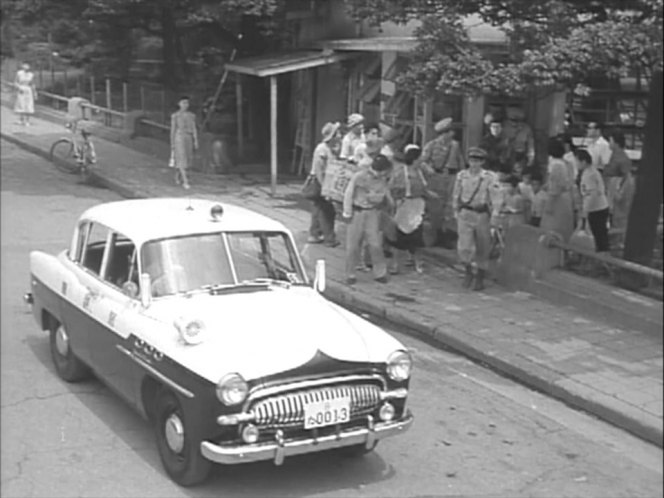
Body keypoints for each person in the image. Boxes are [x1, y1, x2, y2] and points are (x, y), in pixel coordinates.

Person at [452, 147, 502, 291]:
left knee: (483, 247)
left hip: (481, 214)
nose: (474, 164)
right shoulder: (461, 176)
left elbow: (496, 196)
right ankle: (468, 271)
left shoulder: (489, 177)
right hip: (465, 213)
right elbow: (456, 194)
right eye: (472, 160)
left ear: (482, 162)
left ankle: (480, 277)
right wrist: (455, 210)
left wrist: (495, 215)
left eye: (478, 161)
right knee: (465, 246)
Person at [343, 154, 394, 285]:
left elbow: (385, 194)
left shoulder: (382, 180)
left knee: (375, 243)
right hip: (357, 211)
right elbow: (349, 194)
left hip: (373, 212)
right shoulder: (359, 176)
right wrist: (347, 212)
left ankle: (380, 273)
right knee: (353, 245)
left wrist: (389, 204)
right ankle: (350, 274)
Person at [421, 117, 465, 247]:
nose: (452, 134)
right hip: (437, 177)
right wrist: (429, 170)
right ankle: (437, 234)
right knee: (436, 206)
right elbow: (422, 161)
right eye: (449, 131)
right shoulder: (431, 145)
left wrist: (462, 176)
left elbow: (460, 161)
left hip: (452, 177)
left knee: (450, 206)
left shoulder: (455, 145)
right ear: (443, 133)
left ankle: (447, 235)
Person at [386, 144, 430, 274]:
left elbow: (424, 189)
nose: (422, 159)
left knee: (417, 236)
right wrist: (393, 203)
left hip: (418, 206)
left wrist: (430, 195)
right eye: (420, 157)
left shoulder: (420, 172)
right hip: (404, 206)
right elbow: (389, 189)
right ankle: (395, 264)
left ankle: (418, 262)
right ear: (415, 159)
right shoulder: (400, 173)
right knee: (398, 237)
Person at [308, 122, 341, 247]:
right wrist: (325, 188)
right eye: (337, 132)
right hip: (320, 182)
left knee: (318, 208)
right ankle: (329, 238)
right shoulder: (322, 149)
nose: (340, 135)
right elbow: (319, 170)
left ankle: (314, 234)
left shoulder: (330, 148)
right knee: (327, 211)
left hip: (325, 182)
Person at [541, 138, 575, 242]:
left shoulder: (556, 165)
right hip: (567, 197)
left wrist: (549, 204)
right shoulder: (567, 163)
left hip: (557, 200)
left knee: (554, 228)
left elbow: (555, 187)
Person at [576, 149, 610, 252]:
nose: (576, 164)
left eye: (577, 161)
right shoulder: (592, 171)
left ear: (584, 161)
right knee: (601, 235)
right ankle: (603, 256)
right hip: (600, 206)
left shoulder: (589, 175)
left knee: (598, 236)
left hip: (596, 209)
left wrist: (585, 211)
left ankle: (602, 257)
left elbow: (591, 194)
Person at [170, 96, 198, 189]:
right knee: (182, 157)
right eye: (183, 103)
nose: (185, 105)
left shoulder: (191, 115)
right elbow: (173, 129)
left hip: (188, 137)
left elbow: (194, 128)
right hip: (179, 137)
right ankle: (185, 181)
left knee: (188, 157)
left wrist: (195, 140)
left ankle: (178, 175)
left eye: (187, 103)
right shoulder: (175, 116)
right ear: (179, 104)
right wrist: (172, 143)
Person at [604, 130, 632, 221]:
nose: (609, 143)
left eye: (610, 141)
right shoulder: (614, 155)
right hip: (610, 188)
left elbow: (627, 177)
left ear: (616, 143)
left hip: (616, 190)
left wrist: (619, 192)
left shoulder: (622, 157)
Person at [502, 106, 535, 176]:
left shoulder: (526, 128)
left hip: (521, 155)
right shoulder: (504, 126)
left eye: (516, 120)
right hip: (507, 155)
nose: (514, 123)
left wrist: (531, 157)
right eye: (511, 120)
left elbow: (530, 144)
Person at [14, 62, 37, 126]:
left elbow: (32, 84)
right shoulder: (19, 73)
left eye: (28, 65)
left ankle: (27, 120)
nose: (26, 67)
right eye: (25, 65)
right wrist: (19, 88)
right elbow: (15, 82)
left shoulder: (31, 74)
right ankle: (21, 119)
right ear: (23, 66)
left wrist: (34, 92)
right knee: (21, 104)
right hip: (21, 89)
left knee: (28, 104)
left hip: (28, 90)